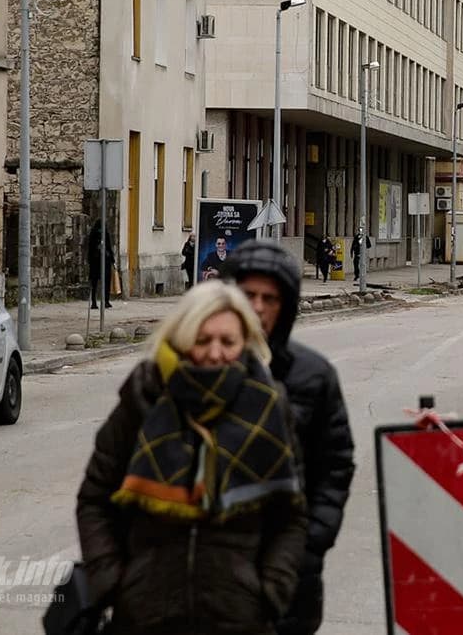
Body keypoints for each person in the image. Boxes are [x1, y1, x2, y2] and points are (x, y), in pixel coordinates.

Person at [76, 282, 306, 635]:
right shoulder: (143, 398)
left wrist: (271, 590)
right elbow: (95, 498)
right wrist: (112, 582)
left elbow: (291, 516)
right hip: (144, 616)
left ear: (244, 343)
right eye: (203, 340)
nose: (215, 354)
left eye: (227, 342)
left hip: (240, 619)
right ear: (183, 340)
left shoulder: (269, 408)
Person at [222, 240, 355, 635]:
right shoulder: (198, 365)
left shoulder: (312, 376)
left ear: (287, 304)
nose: (258, 308)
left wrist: (312, 544)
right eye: (248, 296)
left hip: (290, 567)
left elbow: (335, 466)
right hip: (212, 569)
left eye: (270, 298)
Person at [87, 220, 115, 310]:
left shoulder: (93, 233)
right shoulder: (105, 233)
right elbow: (109, 247)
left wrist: (89, 260)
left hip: (95, 261)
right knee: (106, 282)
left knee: (94, 283)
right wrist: (113, 260)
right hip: (104, 261)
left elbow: (90, 248)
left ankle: (94, 302)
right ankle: (106, 301)